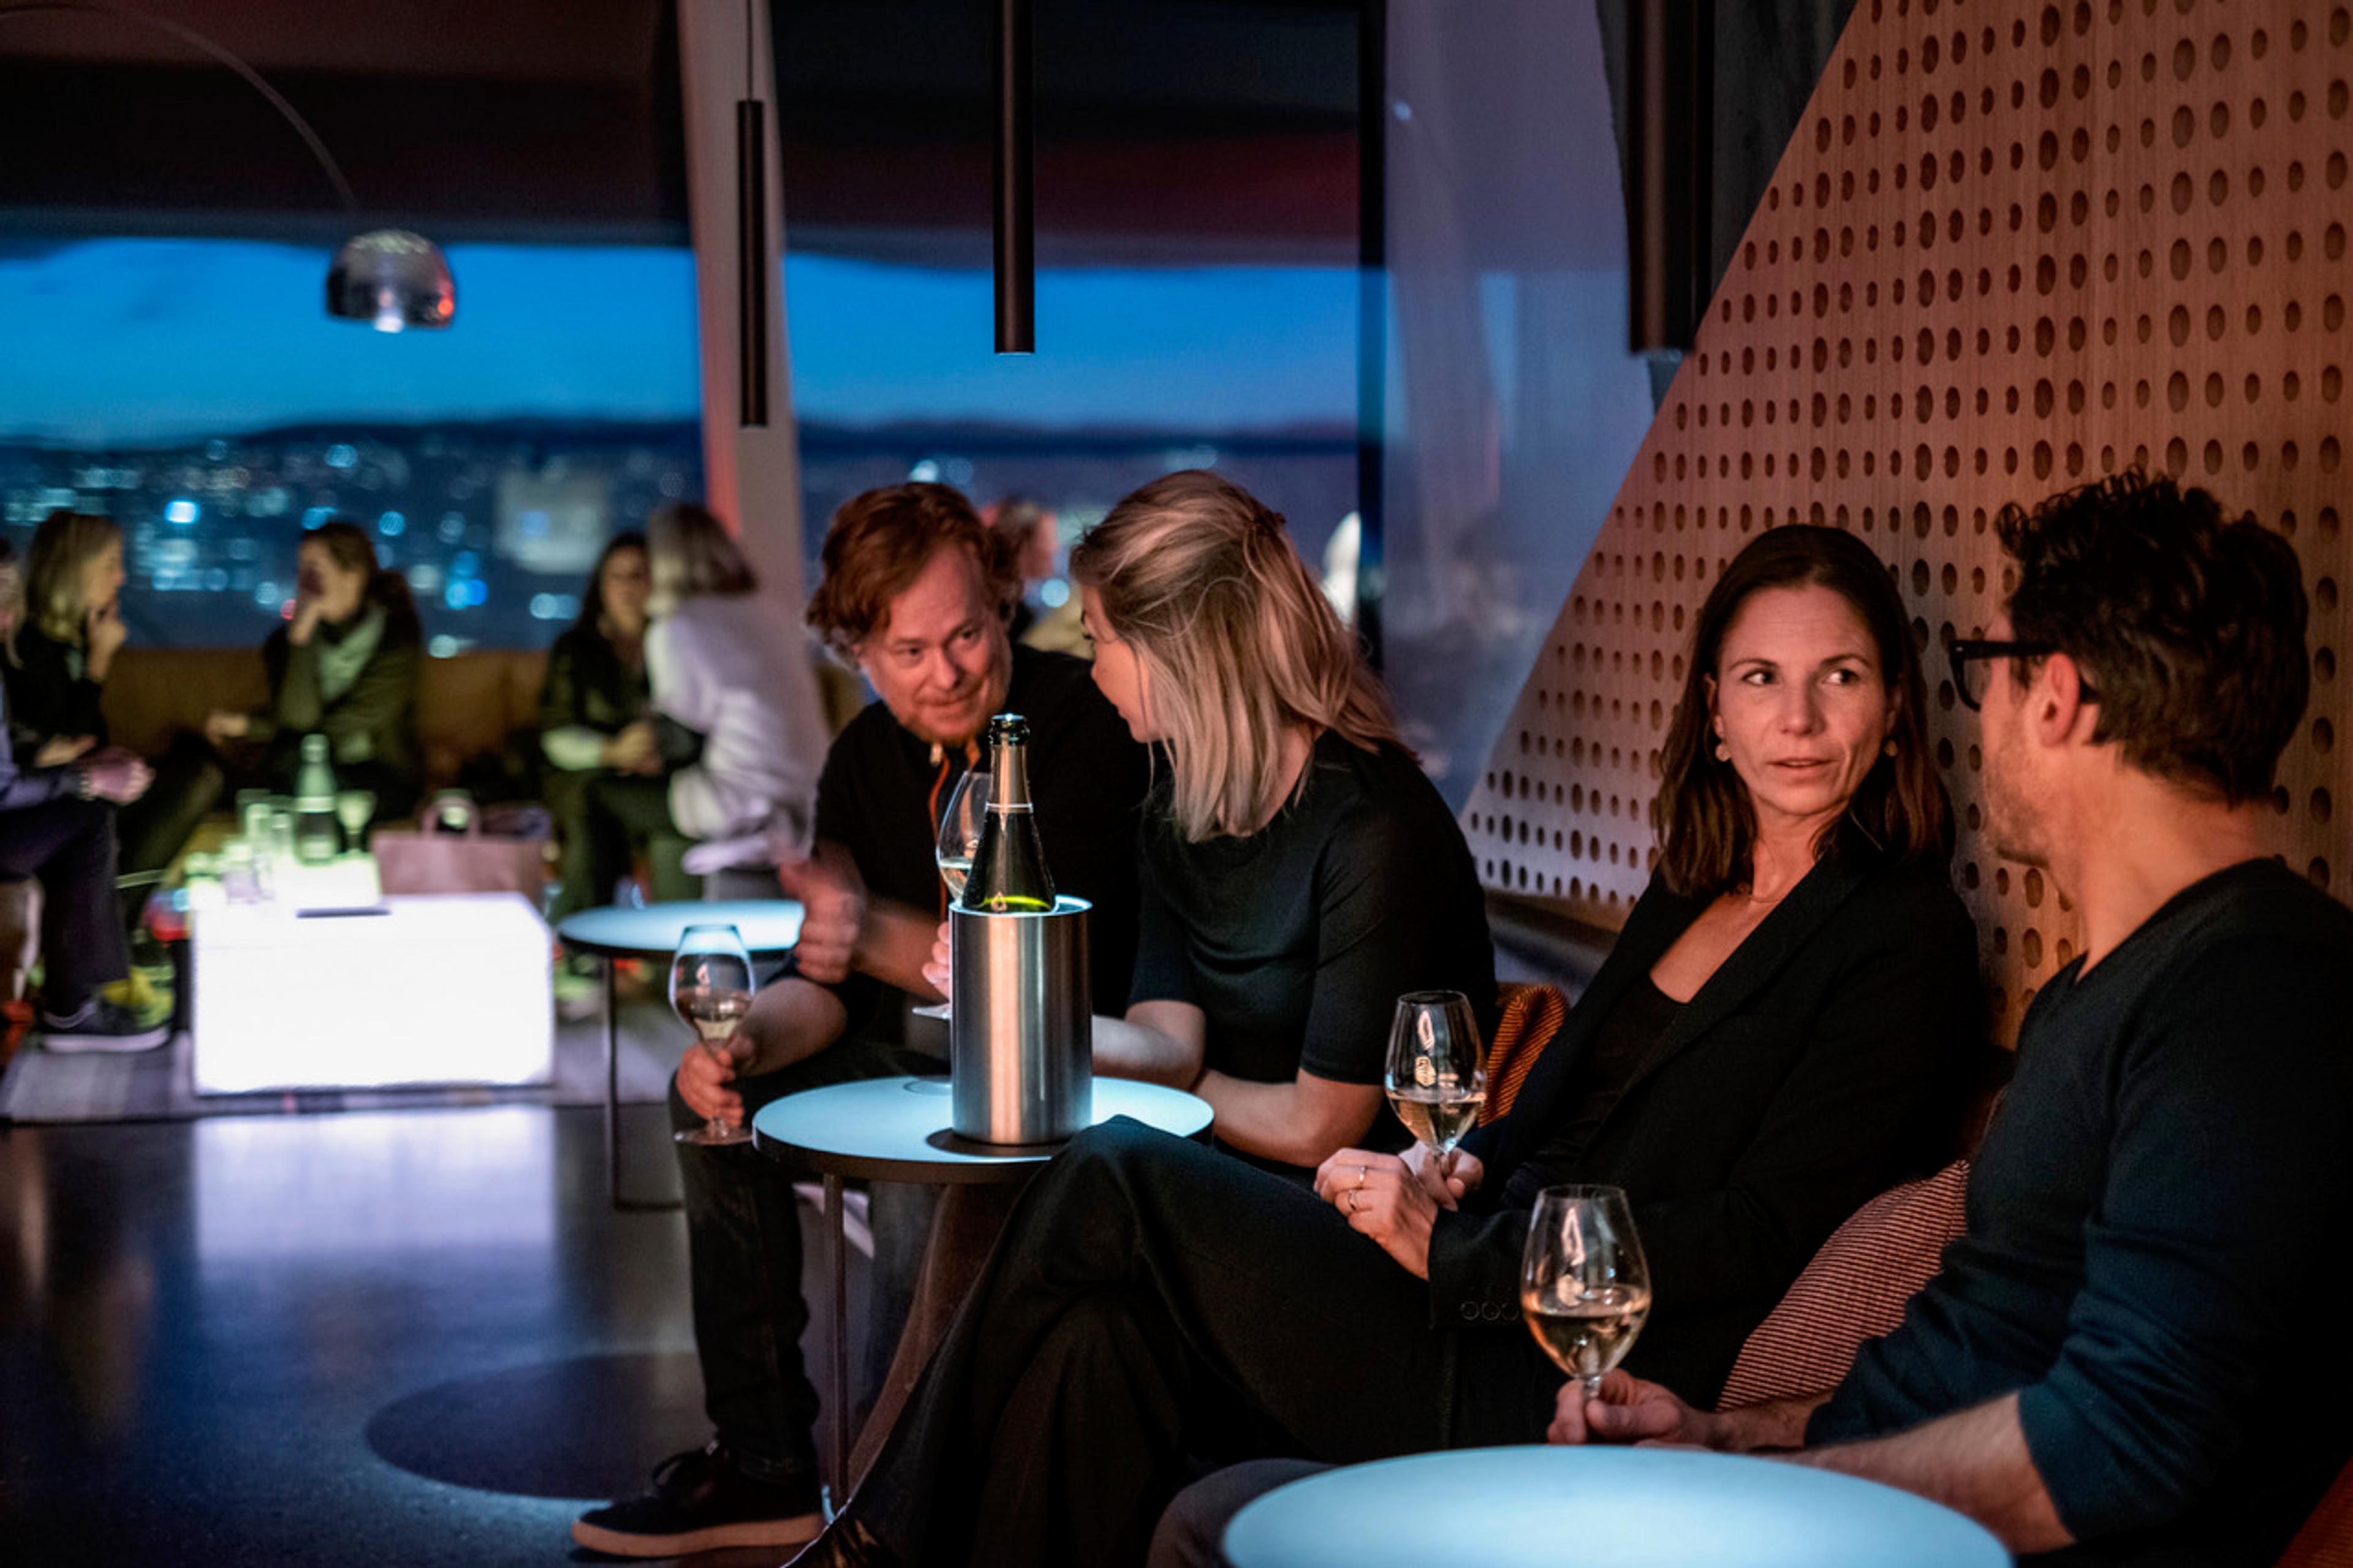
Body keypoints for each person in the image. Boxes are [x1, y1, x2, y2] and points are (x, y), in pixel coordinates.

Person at [794, 510, 1980, 1568]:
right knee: (1097, 1344)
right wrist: (1449, 1164)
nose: (1799, 719)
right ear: (1715, 710)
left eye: (1840, 677)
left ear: (1892, 708)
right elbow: (1560, 1116)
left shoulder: (1901, 936)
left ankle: (884, 1532)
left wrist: (1461, 1249)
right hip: (1463, 1274)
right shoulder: (1696, 880)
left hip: (1563, 1365)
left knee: (1109, 1166)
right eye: (1764, 677)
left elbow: (1767, 1230)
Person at [1534, 473, 2353, 1568]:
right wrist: (1727, 1436)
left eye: (1987, 667)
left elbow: (2125, 1436)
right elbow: (1983, 1358)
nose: (1981, 711)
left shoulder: (2254, 992)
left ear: (2055, 695)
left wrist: (1762, 1499)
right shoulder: (2098, 991)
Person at [572, 483, 1151, 1559]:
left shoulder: (1083, 725)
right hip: (909, 1058)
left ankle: (893, 1515)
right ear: (858, 652)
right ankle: (765, 1466)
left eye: (966, 633)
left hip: (1063, 1066)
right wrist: (745, 1042)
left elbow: (1032, 965)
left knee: (919, 1165)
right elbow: (824, 981)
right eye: (909, 650)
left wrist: (865, 925)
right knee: (716, 1100)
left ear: (1001, 600)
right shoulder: (863, 758)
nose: (947, 672)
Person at [0, 536, 165, 1052]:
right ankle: (73, 1007)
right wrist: (87, 778)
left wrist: (59, 759)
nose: (9, 614)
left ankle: (81, 994)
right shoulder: (31, 652)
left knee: (87, 815)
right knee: (87, 819)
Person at [5, 510, 224, 897]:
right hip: (57, 802)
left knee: (195, 755)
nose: (121, 577)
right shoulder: (30, 649)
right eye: (110, 565)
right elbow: (71, 742)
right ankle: (121, 911)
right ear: (73, 571)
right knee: (197, 780)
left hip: (80, 789)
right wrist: (99, 664)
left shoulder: (68, 643)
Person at [630, 501, 827, 866]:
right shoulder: (770, 612)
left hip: (744, 799)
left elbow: (681, 742)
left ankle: (581, 907)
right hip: (808, 791)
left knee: (595, 795)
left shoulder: (678, 626)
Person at [204, 520, 422, 825]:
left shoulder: (397, 634)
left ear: (353, 575)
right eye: (301, 570)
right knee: (274, 773)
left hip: (377, 774)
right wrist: (301, 637)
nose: (304, 581)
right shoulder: (284, 643)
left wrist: (253, 726)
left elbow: (351, 721)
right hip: (303, 763)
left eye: (314, 569)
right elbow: (297, 718)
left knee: (291, 767)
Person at [537, 531, 678, 923]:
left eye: (639, 575)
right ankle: (585, 935)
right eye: (617, 576)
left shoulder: (677, 646)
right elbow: (557, 733)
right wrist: (612, 752)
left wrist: (660, 749)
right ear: (601, 586)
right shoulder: (576, 649)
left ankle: (667, 940)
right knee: (593, 799)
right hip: (588, 774)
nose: (628, 587)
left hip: (656, 774)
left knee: (675, 818)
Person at [983, 494, 1084, 655]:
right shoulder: (1008, 616)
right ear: (1022, 545)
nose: (1055, 548)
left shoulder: (1018, 608)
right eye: (1048, 538)